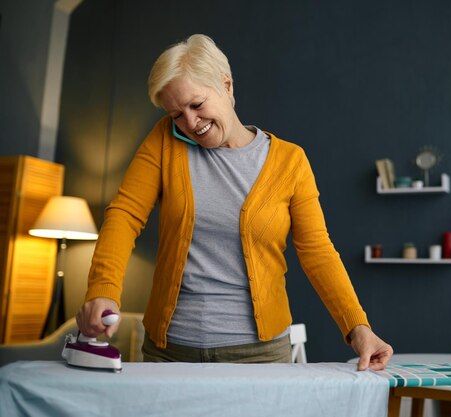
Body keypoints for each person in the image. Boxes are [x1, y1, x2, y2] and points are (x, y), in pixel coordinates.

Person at [76, 34, 393, 371]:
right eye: (176, 114)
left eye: (197, 104)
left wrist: (358, 327)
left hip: (260, 354)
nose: (190, 123)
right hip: (170, 351)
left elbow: (317, 251)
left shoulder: (290, 161)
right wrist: (103, 289)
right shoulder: (164, 141)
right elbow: (124, 214)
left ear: (226, 84)